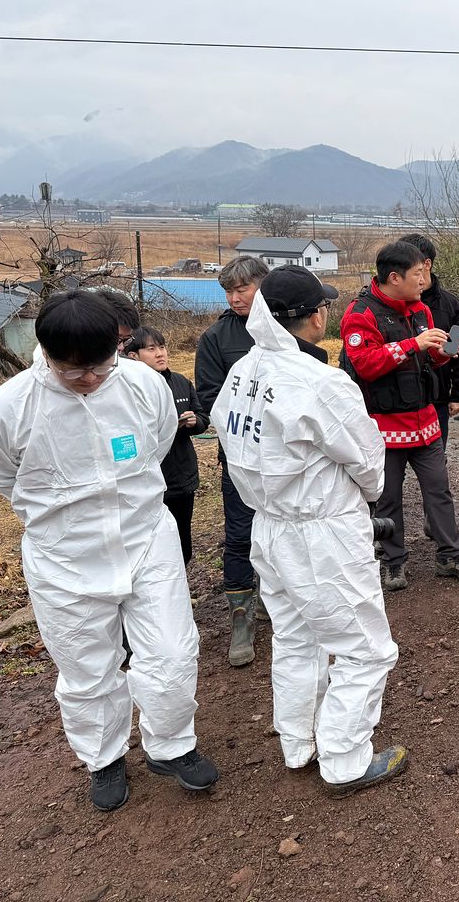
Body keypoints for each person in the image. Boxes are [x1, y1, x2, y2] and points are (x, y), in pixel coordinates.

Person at [0, 290, 218, 812]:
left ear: (117, 347)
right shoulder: (5, 409)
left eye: (101, 368)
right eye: (73, 371)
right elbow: (3, 477)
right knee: (86, 666)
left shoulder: (144, 386)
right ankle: (104, 758)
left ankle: (171, 744)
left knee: (172, 650)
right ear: (46, 353)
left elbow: (156, 442)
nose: (89, 379)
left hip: (145, 538)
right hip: (65, 556)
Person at [211, 265, 409, 796]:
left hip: (269, 527)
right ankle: (344, 759)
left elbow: (225, 437)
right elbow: (367, 459)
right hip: (321, 531)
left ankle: (298, 742)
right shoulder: (320, 382)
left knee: (297, 638)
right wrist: (364, 496)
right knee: (365, 649)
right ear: (314, 316)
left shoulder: (243, 372)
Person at [340, 240, 459, 590]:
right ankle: (394, 562)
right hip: (383, 427)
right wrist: (413, 345)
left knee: (439, 490)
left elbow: (429, 359)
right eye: (418, 274)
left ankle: (450, 555)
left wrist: (445, 352)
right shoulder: (361, 314)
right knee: (388, 497)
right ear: (394, 277)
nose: (424, 280)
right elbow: (366, 364)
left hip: (426, 421)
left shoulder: (420, 309)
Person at [195, 255, 269, 667]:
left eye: (243, 289)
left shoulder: (284, 329)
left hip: (287, 459)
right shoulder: (216, 338)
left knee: (284, 527)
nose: (235, 298)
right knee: (240, 534)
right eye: (229, 291)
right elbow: (209, 398)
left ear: (263, 286)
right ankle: (241, 615)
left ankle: (278, 600)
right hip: (240, 458)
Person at [124, 326, 208, 564]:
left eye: (162, 347)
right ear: (134, 356)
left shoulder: (180, 382)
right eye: (151, 349)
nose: (160, 353)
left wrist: (194, 422)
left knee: (183, 542)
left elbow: (203, 418)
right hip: (149, 482)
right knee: (153, 548)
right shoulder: (129, 390)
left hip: (182, 477)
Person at [400, 234, 459, 444]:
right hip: (396, 400)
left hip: (437, 398)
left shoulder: (451, 306)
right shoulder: (391, 304)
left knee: (434, 460)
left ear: (427, 264)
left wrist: (458, 394)